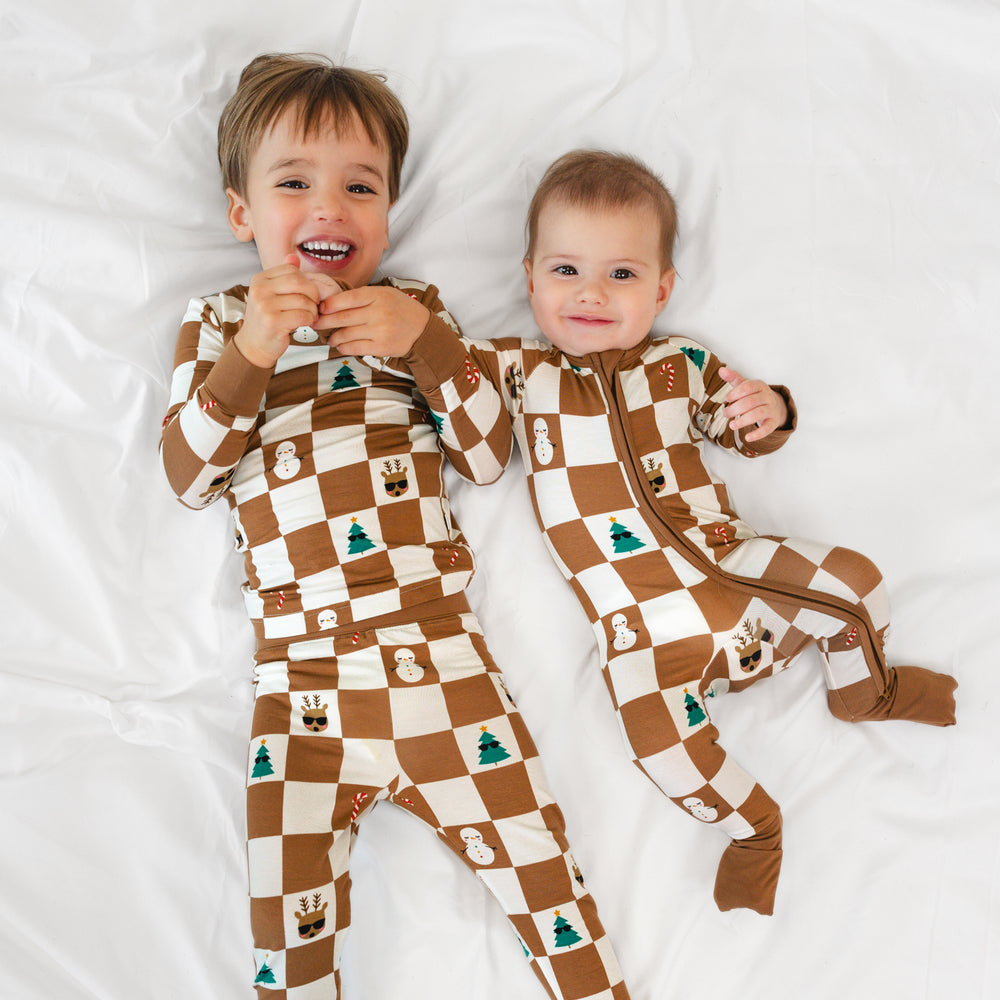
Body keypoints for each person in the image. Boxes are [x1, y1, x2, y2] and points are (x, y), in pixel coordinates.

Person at [160, 58, 629, 1000]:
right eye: (294, 183)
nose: (329, 207)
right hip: (300, 691)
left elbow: (491, 455)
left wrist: (427, 345)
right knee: (286, 941)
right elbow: (189, 476)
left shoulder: (418, 314)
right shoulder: (218, 322)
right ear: (241, 214)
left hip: (441, 661)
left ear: (388, 209)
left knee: (549, 884)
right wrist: (254, 350)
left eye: (359, 187)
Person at [399, 149, 958, 917]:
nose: (592, 292)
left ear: (662, 289)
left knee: (854, 579)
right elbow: (478, 442)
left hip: (738, 571)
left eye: (622, 276)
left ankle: (866, 691)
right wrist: (429, 347)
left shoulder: (678, 365)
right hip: (640, 632)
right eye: (566, 271)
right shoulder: (515, 371)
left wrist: (772, 412)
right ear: (529, 277)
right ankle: (754, 828)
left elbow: (742, 430)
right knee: (655, 740)